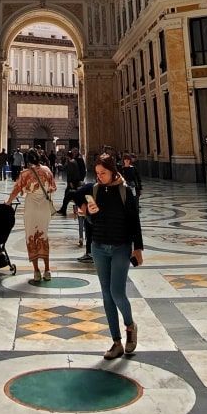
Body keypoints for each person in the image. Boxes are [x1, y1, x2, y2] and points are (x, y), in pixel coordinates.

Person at [78, 154, 144, 360]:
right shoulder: (96, 190)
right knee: (106, 295)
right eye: (97, 173)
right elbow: (93, 220)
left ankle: (130, 326)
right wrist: (88, 213)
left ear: (113, 171)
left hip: (120, 247)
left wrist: (138, 248)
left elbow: (134, 221)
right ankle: (116, 342)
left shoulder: (126, 191)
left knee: (117, 292)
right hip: (98, 247)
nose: (99, 177)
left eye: (103, 173)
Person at [7, 148, 57, 283]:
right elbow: (53, 187)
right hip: (44, 209)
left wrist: (8, 202)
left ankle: (36, 271)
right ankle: (47, 270)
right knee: (43, 236)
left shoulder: (25, 174)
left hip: (31, 208)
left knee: (31, 237)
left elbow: (16, 190)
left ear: (27, 160)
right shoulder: (47, 170)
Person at [60, 148, 87, 216]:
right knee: (69, 195)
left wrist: (80, 180)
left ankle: (65, 210)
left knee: (71, 195)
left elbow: (81, 170)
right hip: (74, 181)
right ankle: (64, 209)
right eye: (73, 152)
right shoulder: (73, 160)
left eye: (75, 152)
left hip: (75, 181)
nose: (74, 153)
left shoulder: (77, 160)